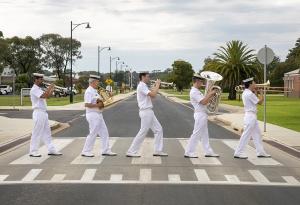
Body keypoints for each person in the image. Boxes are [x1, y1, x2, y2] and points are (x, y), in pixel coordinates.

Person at [126, 71, 168, 157]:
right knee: (143, 131)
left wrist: (156, 87)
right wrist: (157, 86)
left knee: (158, 129)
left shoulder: (144, 86)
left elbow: (152, 95)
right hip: (145, 112)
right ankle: (131, 151)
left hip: (149, 111)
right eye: (147, 76)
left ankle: (158, 150)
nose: (149, 78)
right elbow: (153, 95)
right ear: (142, 77)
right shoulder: (141, 86)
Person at [234, 77, 271, 159]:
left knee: (257, 135)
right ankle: (238, 152)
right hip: (250, 116)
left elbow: (255, 100)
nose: (255, 84)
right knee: (246, 135)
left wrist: (256, 91)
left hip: (251, 116)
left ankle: (260, 152)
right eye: (254, 83)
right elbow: (260, 102)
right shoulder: (249, 94)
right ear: (250, 84)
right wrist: (262, 93)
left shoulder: (247, 92)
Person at [184, 74, 220, 158]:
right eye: (201, 81)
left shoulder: (197, 91)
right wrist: (210, 93)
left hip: (203, 113)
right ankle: (189, 151)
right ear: (197, 82)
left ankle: (208, 151)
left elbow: (205, 101)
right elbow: (203, 102)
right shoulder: (194, 92)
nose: (202, 83)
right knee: (196, 133)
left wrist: (210, 95)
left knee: (204, 134)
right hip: (200, 114)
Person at [81, 75, 116, 157]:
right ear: (93, 82)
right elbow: (86, 104)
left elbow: (100, 100)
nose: (98, 83)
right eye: (97, 81)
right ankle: (85, 151)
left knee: (104, 132)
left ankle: (106, 150)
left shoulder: (94, 91)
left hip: (98, 114)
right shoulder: (89, 91)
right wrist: (97, 105)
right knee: (93, 133)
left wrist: (109, 95)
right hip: (92, 115)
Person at [29, 73, 62, 157]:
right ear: (35, 80)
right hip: (38, 112)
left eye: (42, 79)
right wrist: (49, 88)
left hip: (43, 113)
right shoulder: (34, 89)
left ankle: (51, 149)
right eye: (40, 79)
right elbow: (43, 96)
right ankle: (33, 151)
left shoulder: (39, 89)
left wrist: (51, 90)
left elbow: (48, 96)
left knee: (47, 133)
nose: (42, 81)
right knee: (37, 133)